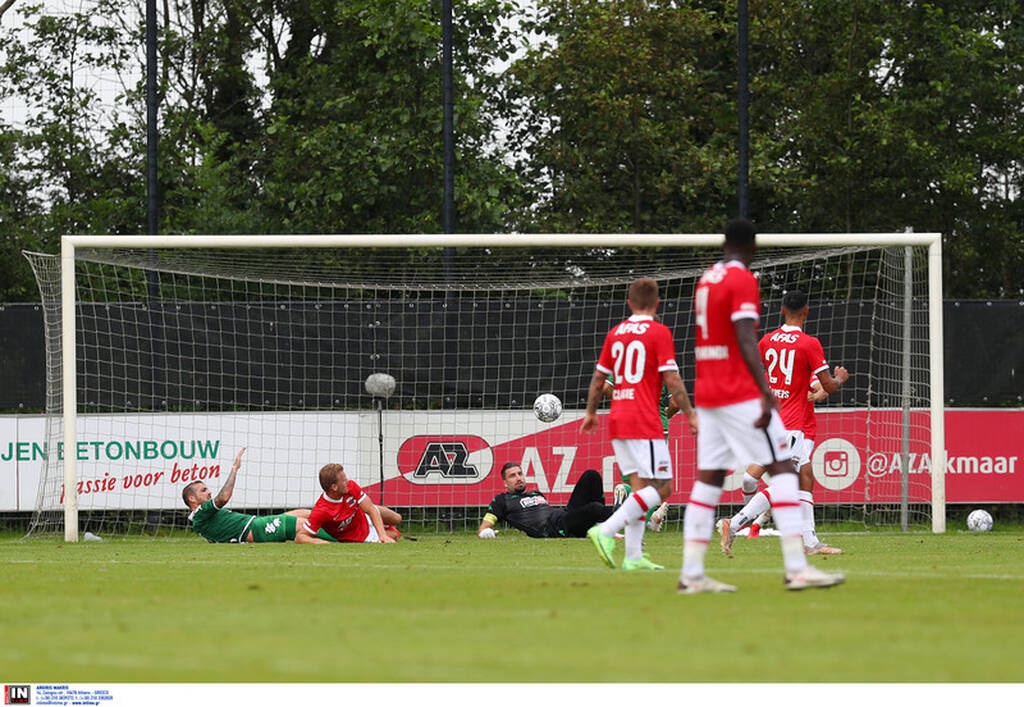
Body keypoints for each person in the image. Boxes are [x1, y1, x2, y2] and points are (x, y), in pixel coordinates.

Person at [678, 218, 845, 593]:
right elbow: (742, 338)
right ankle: (796, 566)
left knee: (710, 478)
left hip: (708, 387)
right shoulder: (742, 280)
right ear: (751, 248)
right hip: (736, 389)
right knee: (786, 472)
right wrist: (764, 391)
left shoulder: (707, 279)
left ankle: (692, 573)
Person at [720, 290, 849, 555]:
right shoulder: (809, 343)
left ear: (781, 310)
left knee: (805, 476)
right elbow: (827, 386)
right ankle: (733, 525)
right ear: (806, 312)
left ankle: (811, 542)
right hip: (790, 425)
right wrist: (839, 379)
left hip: (774, 422)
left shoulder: (767, 341)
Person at [582, 277, 697, 571]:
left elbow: (598, 380)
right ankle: (605, 530)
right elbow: (672, 380)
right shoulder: (658, 333)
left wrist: (591, 412)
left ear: (629, 303)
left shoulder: (616, 333)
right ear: (657, 303)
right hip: (645, 421)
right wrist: (691, 414)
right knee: (663, 488)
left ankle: (633, 556)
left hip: (619, 419)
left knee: (639, 488)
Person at [182, 447, 312, 543]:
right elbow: (223, 498)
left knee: (305, 513)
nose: (209, 492)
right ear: (192, 498)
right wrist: (234, 469)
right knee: (307, 525)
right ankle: (331, 539)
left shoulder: (201, 519)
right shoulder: (200, 514)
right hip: (256, 530)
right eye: (203, 490)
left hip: (256, 523)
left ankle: (332, 523)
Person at [603, 375, 676, 532]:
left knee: (632, 480)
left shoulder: (623, 360)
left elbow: (605, 387)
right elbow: (676, 402)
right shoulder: (662, 364)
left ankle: (647, 518)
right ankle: (643, 518)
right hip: (655, 426)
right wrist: (666, 414)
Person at [477, 462, 612, 539]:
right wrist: (486, 533)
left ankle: (602, 524)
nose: (518, 478)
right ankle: (612, 519)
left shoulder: (536, 493)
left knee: (591, 475)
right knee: (595, 508)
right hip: (555, 528)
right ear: (505, 483)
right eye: (512, 476)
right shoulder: (501, 500)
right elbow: (483, 529)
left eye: (520, 473)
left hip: (565, 515)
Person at [295, 463, 403, 544]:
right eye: (343, 480)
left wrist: (382, 535)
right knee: (395, 535)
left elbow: (370, 509)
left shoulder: (350, 486)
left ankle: (383, 529)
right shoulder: (321, 510)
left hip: (365, 516)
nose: (347, 481)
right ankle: (384, 533)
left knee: (397, 518)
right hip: (363, 536)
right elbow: (300, 537)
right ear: (334, 487)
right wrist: (321, 543)